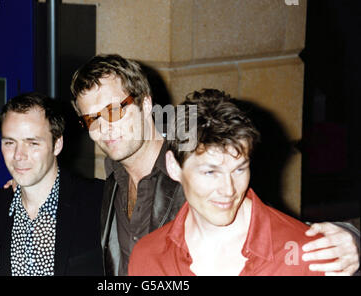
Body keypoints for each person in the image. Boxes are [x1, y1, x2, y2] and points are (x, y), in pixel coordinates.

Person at [70, 54, 360, 276]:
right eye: (91, 119)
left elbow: (263, 228)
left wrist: (351, 237)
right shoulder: (111, 181)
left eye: (114, 111)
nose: (105, 128)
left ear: (146, 105)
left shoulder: (198, 162)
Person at [129, 89, 346, 275]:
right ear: (174, 167)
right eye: (210, 172)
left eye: (239, 169)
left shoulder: (308, 253)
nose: (228, 189)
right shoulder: (148, 258)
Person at [0, 92, 104, 276]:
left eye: (32, 143)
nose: (18, 156)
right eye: (9, 142)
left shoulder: (99, 200)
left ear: (57, 145)